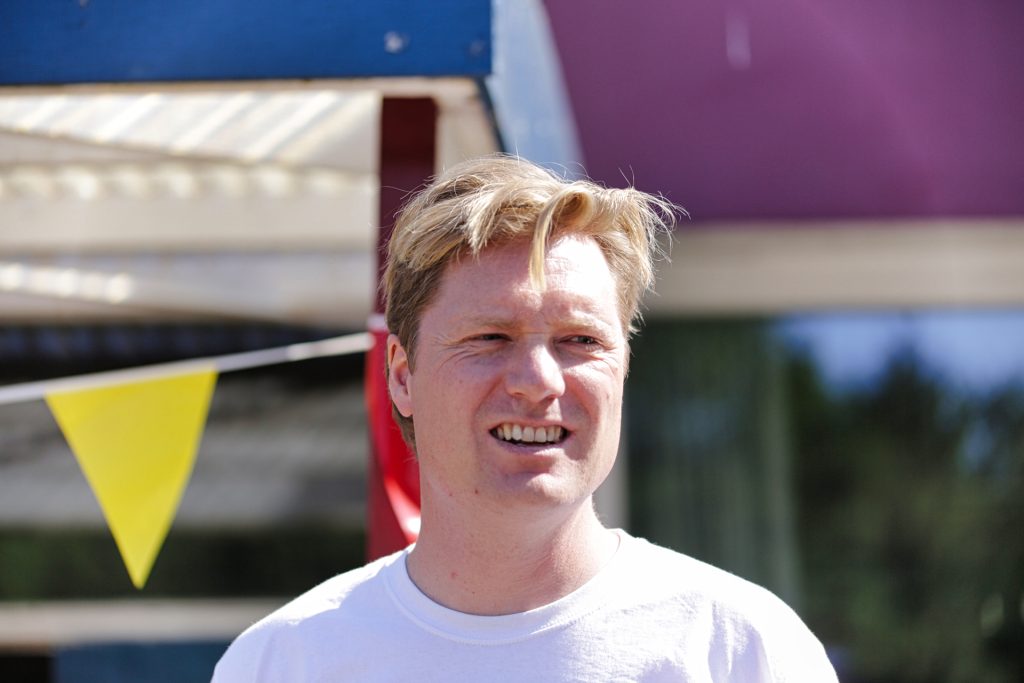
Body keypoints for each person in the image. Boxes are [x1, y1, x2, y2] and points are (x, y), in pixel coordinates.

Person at [212, 156, 839, 682]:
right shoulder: (282, 662)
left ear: (623, 367)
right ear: (402, 374)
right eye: (490, 337)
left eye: (580, 341)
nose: (539, 381)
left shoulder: (741, 651)